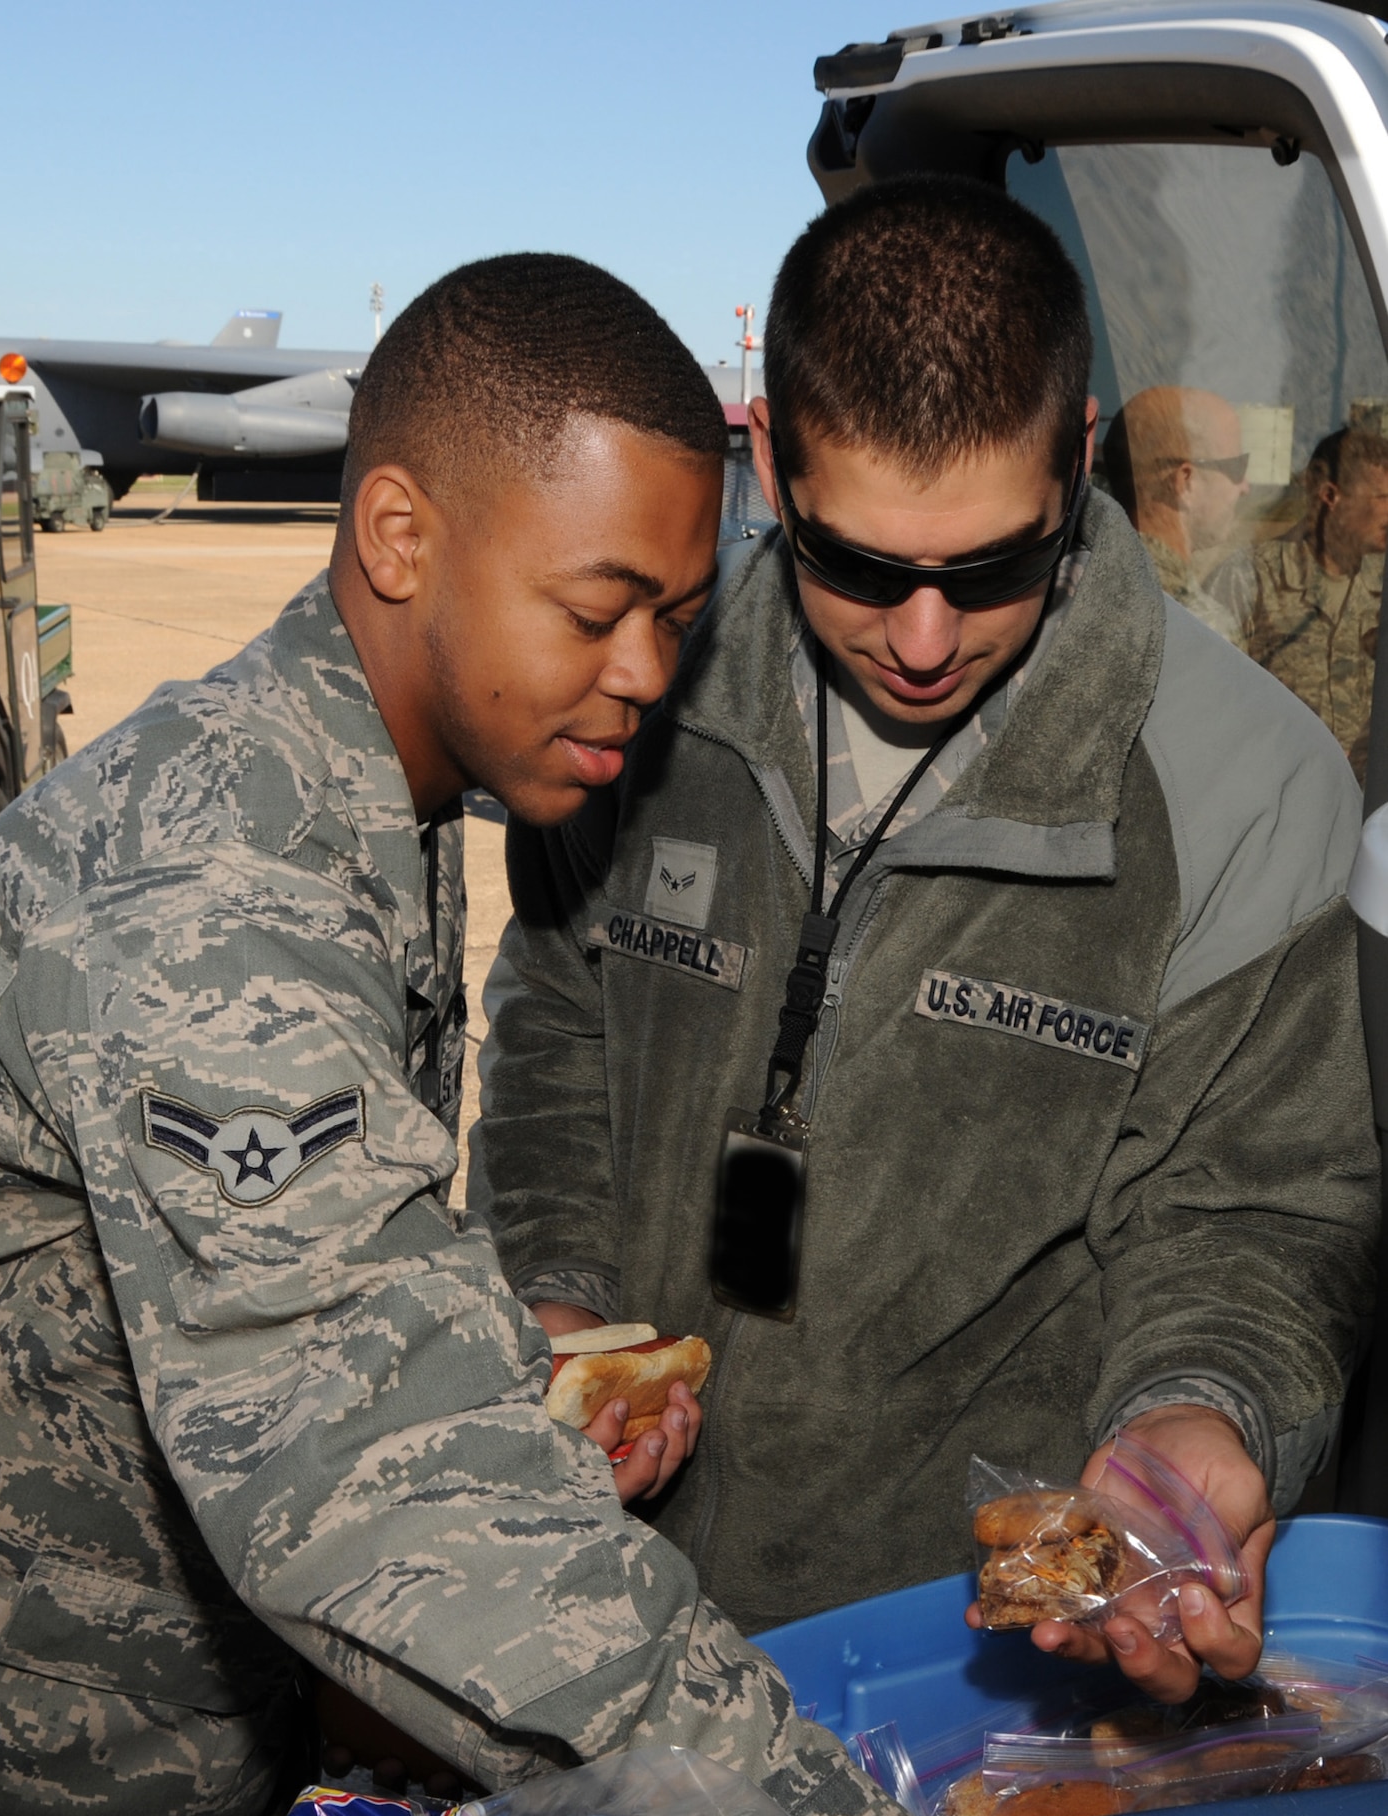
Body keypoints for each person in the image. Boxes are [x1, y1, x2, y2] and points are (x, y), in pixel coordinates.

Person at [0, 255, 918, 1816]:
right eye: (596, 605)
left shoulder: (361, 799)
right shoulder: (208, 891)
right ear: (399, 539)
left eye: (680, 617)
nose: (644, 672)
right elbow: (383, 1497)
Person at [473, 179, 1377, 1715]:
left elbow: (1254, 1218)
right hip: (592, 1617)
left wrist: (1192, 1422)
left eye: (996, 567)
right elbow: (559, 1023)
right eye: (863, 567)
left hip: (965, 1674)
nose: (922, 639)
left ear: (1076, 450)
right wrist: (559, 1307)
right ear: (771, 456)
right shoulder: (636, 692)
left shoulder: (1246, 789)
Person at [1209, 425, 1388, 780]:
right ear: (1331, 496)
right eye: (1383, 497)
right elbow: (1213, 703)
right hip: (1281, 795)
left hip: (1370, 811)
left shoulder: (1381, 583)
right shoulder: (1253, 578)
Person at [1101, 386, 1248, 643]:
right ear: (1185, 481)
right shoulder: (1203, 626)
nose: (1244, 487)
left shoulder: (1075, 584)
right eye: (1237, 467)